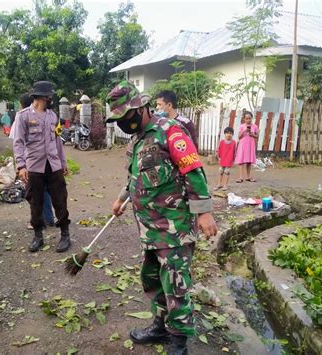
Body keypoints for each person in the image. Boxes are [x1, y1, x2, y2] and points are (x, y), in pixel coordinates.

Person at [107, 81, 217, 355]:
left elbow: (192, 170)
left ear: (141, 107)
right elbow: (135, 177)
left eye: (126, 116)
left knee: (176, 285)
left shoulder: (171, 131)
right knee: (153, 279)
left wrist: (203, 211)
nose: (123, 123)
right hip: (149, 229)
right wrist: (122, 198)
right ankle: (160, 325)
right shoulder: (137, 141)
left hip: (174, 227)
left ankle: (178, 343)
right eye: (118, 119)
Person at [13, 81, 71, 253]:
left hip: (53, 165)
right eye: (49, 96)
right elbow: (18, 142)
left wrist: (63, 162)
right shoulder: (23, 116)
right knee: (35, 202)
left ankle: (65, 234)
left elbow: (58, 142)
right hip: (34, 167)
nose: (51, 98)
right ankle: (38, 236)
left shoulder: (53, 117)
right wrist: (21, 166)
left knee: (60, 200)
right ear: (42, 97)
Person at [10, 93, 56, 229]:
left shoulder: (23, 118)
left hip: (32, 163)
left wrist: (20, 165)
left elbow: (17, 143)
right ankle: (47, 218)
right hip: (35, 162)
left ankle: (40, 221)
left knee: (35, 194)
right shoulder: (24, 117)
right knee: (43, 191)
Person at [235, 111, 258, 183]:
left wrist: (252, 134)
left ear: (252, 118)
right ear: (244, 119)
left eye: (249, 118)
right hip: (243, 144)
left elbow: (257, 136)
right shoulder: (242, 126)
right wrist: (244, 131)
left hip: (250, 144)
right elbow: (239, 137)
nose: (248, 120)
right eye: (246, 118)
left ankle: (248, 177)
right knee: (241, 161)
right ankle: (240, 177)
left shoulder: (255, 126)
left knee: (249, 161)